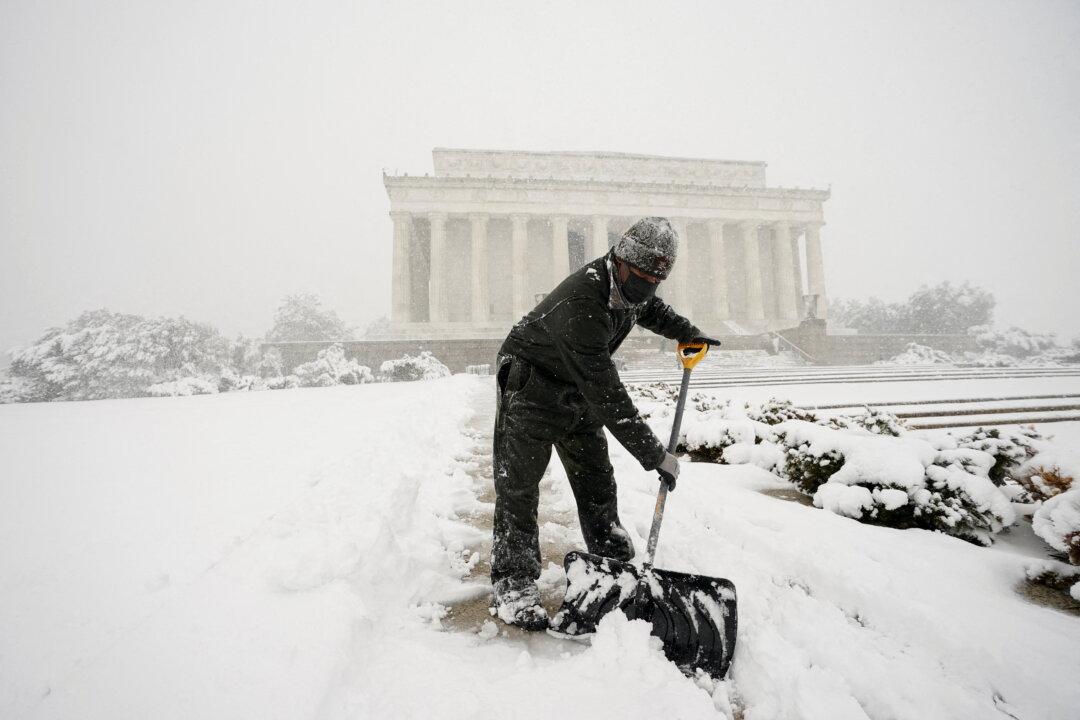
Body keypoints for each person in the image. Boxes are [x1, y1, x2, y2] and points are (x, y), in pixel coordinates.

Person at [490, 216, 720, 629]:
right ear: (621, 261)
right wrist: (655, 456)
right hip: (532, 385)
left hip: (576, 386)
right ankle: (514, 580)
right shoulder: (582, 303)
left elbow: (651, 309)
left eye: (656, 280)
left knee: (596, 479)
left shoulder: (631, 288)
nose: (647, 286)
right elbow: (608, 394)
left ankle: (612, 558)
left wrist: (687, 332)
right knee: (519, 486)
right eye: (642, 277)